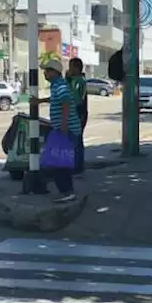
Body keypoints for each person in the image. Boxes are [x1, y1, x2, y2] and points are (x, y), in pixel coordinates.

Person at [42, 59, 79, 203]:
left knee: (59, 162)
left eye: (47, 71)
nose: (45, 73)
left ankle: (67, 192)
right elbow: (56, 99)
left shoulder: (60, 85)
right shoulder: (56, 85)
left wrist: (64, 124)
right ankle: (66, 190)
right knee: (60, 161)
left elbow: (66, 103)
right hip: (62, 129)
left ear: (54, 72)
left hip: (66, 130)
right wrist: (39, 101)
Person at [67, 57, 88, 174]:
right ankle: (77, 165)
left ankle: (77, 166)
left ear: (76, 68)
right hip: (77, 112)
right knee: (76, 140)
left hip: (78, 112)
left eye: (71, 67)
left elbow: (75, 98)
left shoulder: (78, 81)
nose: (69, 69)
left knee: (76, 140)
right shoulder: (76, 80)